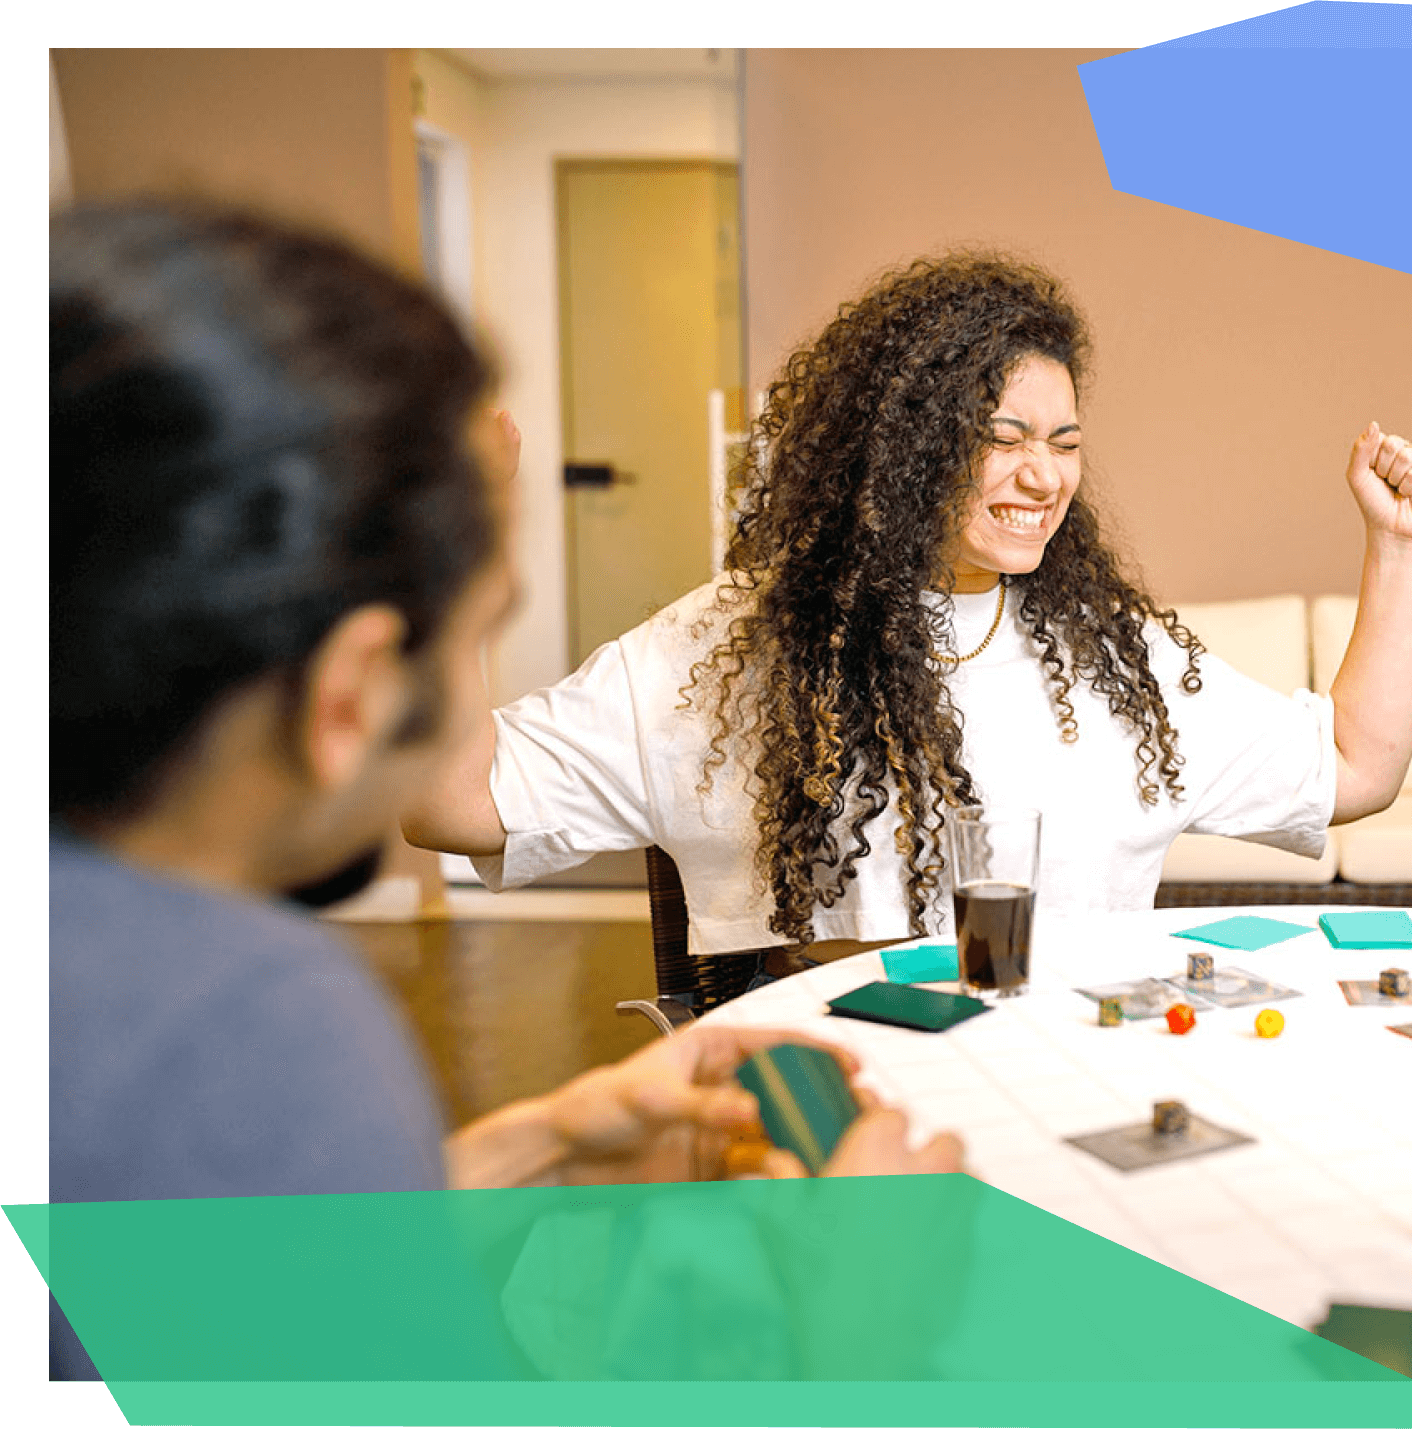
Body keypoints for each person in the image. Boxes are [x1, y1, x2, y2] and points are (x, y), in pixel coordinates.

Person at [48, 201, 962, 1381]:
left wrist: (526, 1150)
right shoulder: (237, 1025)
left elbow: (237, 1296)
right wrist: (846, 1334)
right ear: (352, 692)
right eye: (477, 630)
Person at [402, 253, 1412, 988]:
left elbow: (1358, 766)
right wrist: (456, 551)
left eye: (1065, 441)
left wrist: (1394, 547)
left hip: (1075, 1099)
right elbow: (449, 804)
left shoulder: (1112, 655)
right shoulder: (724, 647)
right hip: (836, 1129)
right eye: (1002, 437)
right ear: (902, 447)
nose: (1044, 475)